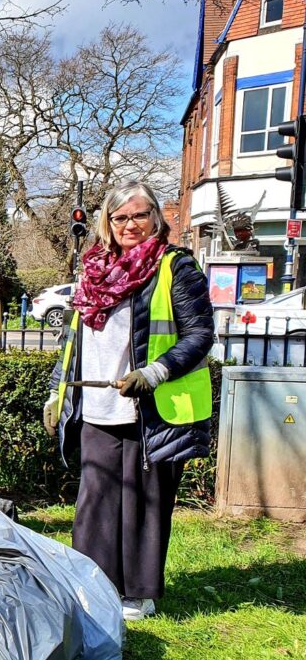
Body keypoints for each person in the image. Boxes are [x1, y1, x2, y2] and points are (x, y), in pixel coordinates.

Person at [44, 180, 213, 621]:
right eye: (120, 217)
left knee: (144, 501)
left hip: (153, 406)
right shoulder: (93, 270)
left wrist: (154, 373)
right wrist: (56, 392)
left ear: (156, 217)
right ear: (107, 221)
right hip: (98, 405)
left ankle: (138, 593)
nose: (130, 224)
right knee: (95, 500)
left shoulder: (176, 267)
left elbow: (200, 334)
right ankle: (93, 586)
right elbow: (72, 340)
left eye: (139, 215)